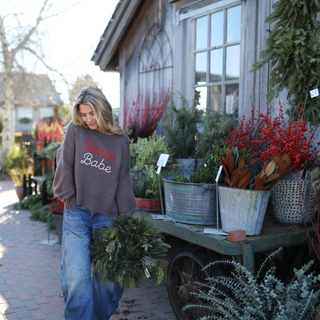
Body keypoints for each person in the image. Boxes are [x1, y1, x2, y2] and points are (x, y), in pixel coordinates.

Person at [53, 86, 137, 320]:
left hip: (108, 217)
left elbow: (123, 181)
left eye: (92, 113)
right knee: (77, 275)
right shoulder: (76, 131)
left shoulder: (120, 142)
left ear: (103, 110)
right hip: (77, 213)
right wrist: (68, 197)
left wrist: (128, 218)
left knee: (108, 281)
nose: (87, 119)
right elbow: (65, 164)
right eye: (83, 114)